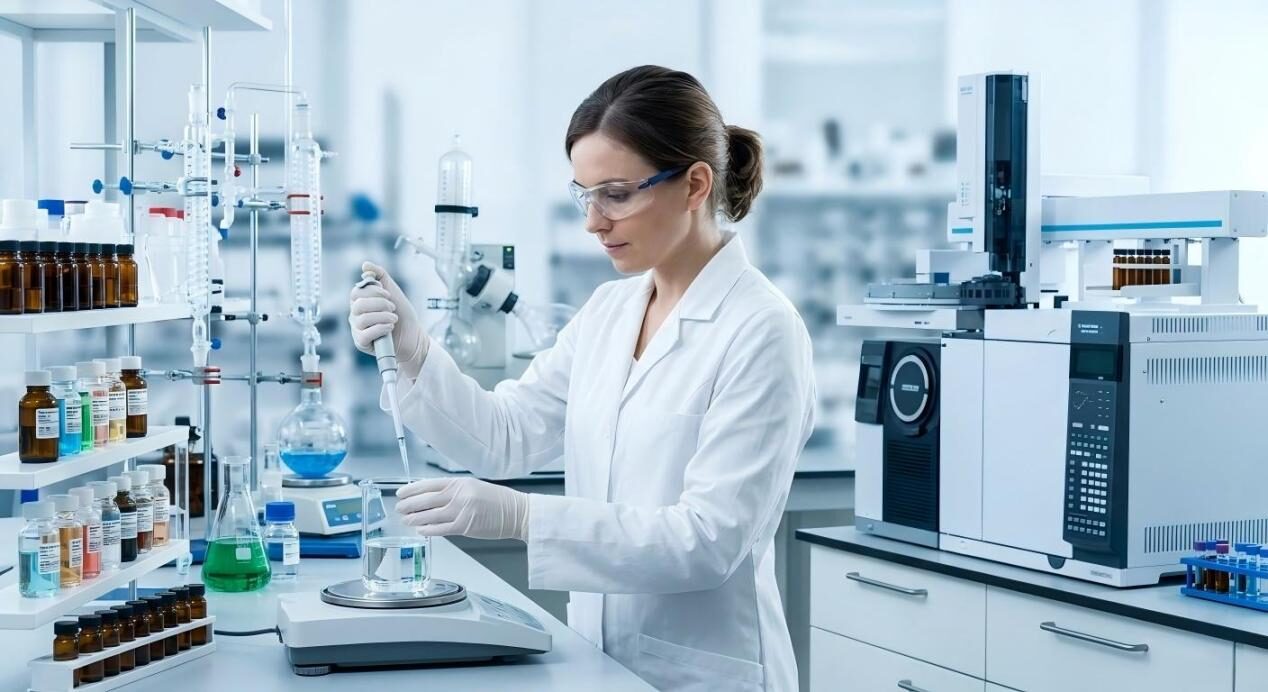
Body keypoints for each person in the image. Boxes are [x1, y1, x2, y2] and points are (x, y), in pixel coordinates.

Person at [349, 65, 815, 692]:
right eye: (585, 195)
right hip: (598, 663)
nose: (593, 222)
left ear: (695, 185)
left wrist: (524, 518)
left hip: (703, 675)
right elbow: (503, 435)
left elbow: (707, 541)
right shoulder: (609, 311)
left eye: (615, 195)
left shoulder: (761, 328)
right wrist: (414, 351)